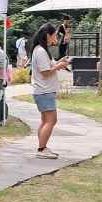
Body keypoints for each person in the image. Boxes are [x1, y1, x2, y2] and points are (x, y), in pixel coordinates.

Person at [29, 23, 71, 159]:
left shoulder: (41, 50)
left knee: (46, 120)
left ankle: (42, 148)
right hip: (44, 91)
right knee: (51, 120)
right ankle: (41, 149)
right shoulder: (40, 51)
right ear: (48, 35)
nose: (55, 38)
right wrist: (58, 65)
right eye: (54, 35)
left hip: (44, 91)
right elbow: (45, 72)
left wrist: (60, 62)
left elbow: (49, 66)